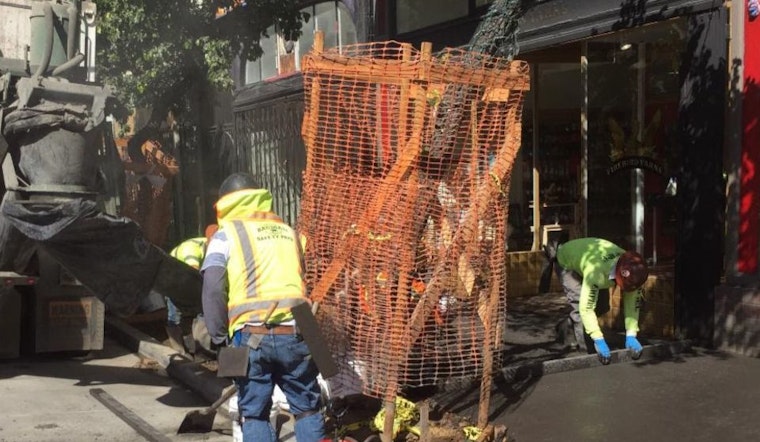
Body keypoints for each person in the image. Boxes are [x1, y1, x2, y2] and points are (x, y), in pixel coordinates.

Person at [201, 172, 325, 442]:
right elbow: (309, 280)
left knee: (255, 413)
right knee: (307, 409)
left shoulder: (224, 236)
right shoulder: (290, 233)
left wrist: (219, 336)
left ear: (226, 203)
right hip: (299, 326)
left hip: (250, 334)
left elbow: (212, 286)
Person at [545, 237, 649, 365]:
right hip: (568, 262)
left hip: (591, 260)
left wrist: (631, 334)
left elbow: (633, 304)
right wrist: (598, 339)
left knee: (602, 307)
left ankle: (564, 328)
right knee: (580, 311)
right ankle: (587, 353)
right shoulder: (596, 273)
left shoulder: (633, 270)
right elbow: (586, 308)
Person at [165, 225, 218, 353]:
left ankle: (202, 350)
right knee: (175, 315)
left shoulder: (217, 247)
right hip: (172, 277)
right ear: (208, 241)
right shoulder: (191, 249)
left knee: (203, 311)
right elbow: (193, 272)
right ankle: (179, 350)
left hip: (191, 277)